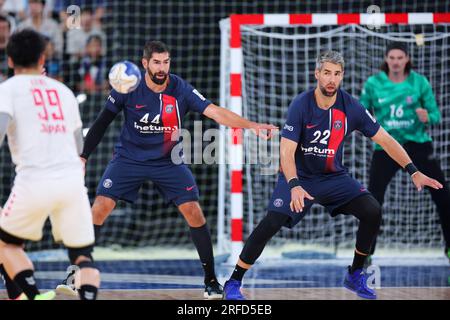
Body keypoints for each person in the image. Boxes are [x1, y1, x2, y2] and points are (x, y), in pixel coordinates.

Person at [55, 40, 277, 299]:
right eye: (157, 62)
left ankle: (211, 282)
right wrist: (83, 156)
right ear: (145, 63)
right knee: (99, 209)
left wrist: (251, 126)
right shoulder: (128, 85)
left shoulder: (179, 87)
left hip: (168, 161)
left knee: (194, 212)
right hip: (129, 159)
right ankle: (75, 276)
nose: (162, 68)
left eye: (166, 62)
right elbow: (102, 121)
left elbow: (214, 112)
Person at [222, 50, 443, 300]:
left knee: (372, 210)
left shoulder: (351, 107)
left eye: (337, 74)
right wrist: (293, 184)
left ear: (342, 76)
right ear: (317, 74)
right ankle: (234, 281)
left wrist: (413, 171)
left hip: (332, 178)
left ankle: (355, 274)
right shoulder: (301, 104)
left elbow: (385, 139)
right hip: (300, 177)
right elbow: (286, 150)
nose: (331, 79)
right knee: (271, 222)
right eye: (326, 73)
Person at [0, 29, 100, 300]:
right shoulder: (64, 92)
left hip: (33, 181)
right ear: (43, 59)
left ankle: (31, 296)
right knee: (83, 256)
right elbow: (80, 147)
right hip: (72, 184)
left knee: (6, 246)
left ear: (10, 61)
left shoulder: (6, 90)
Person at [360, 42, 450, 261]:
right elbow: (360, 112)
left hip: (417, 146)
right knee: (371, 201)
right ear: (386, 59)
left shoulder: (419, 82)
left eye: (400, 58)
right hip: (386, 147)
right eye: (392, 58)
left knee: (444, 196)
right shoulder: (374, 83)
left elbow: (436, 115)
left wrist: (428, 117)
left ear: (407, 59)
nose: (396, 62)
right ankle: (365, 253)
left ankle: (449, 248)